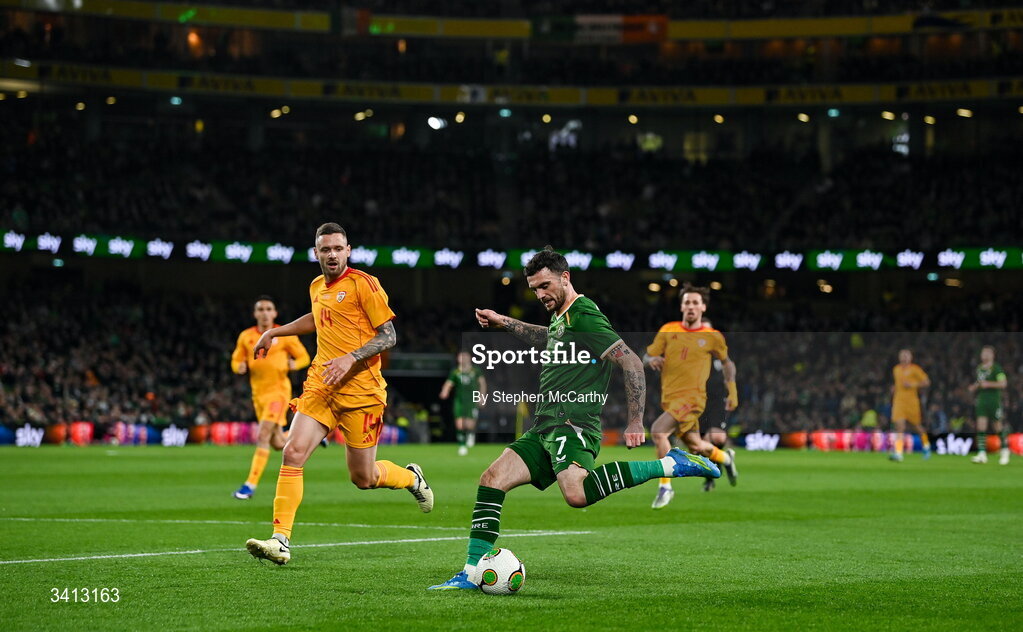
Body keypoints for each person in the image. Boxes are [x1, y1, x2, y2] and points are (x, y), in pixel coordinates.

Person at [429, 247, 719, 590]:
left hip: (573, 424)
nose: (541, 295)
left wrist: (635, 421)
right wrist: (503, 321)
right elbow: (547, 337)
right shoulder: (561, 316)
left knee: (576, 494)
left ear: (565, 277)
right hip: (545, 425)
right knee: (492, 478)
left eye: (546, 286)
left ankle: (670, 464)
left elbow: (631, 362)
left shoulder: (584, 315)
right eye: (535, 289)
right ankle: (471, 571)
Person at [245, 223, 433, 566]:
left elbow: (389, 336)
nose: (331, 255)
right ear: (316, 253)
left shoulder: (364, 284)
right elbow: (318, 318)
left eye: (337, 249)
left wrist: (352, 357)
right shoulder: (317, 285)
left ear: (348, 251)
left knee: (364, 478)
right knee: (293, 451)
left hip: (362, 393)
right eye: (325, 249)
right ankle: (280, 539)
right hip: (321, 385)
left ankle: (410, 477)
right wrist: (275, 331)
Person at [644, 284, 739, 509]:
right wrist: (651, 361)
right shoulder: (668, 330)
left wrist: (732, 391)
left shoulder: (713, 337)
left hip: (693, 399)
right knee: (696, 446)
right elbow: (648, 355)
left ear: (703, 307)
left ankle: (665, 487)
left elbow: (727, 364)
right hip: (670, 398)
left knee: (658, 432)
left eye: (696, 303)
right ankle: (726, 459)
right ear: (681, 306)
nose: (691, 307)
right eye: (687, 302)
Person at [230, 295, 310, 500]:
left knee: (263, 434)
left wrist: (295, 364)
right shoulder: (246, 336)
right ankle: (314, 438)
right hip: (258, 394)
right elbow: (236, 358)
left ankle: (249, 485)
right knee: (276, 442)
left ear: (274, 313)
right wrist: (238, 366)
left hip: (278, 392)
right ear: (255, 313)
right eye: (261, 309)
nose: (264, 313)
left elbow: (304, 356)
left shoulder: (285, 334)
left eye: (268, 309)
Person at [439, 351, 487, 455]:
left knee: (469, 424)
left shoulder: (475, 371)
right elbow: (448, 383)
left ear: (469, 358)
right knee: (460, 424)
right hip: (459, 401)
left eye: (465, 357)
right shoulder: (455, 372)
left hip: (472, 400)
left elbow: (482, 384)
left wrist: (482, 397)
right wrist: (445, 391)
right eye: (460, 357)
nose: (462, 359)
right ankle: (461, 446)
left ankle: (470, 434)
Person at [969, 345, 1009, 465]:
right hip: (982, 400)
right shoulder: (980, 368)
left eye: (987, 353)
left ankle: (1005, 450)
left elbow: (1003, 384)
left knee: (997, 426)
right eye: (983, 353)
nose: (985, 355)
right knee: (981, 426)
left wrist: (988, 384)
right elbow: (980, 382)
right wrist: (974, 386)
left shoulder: (997, 368)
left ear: (992, 355)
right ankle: (982, 454)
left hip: (994, 400)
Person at [889, 349, 931, 462]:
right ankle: (898, 453)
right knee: (899, 426)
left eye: (906, 355)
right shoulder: (896, 369)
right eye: (902, 355)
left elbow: (926, 382)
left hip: (912, 403)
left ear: (911, 358)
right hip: (899, 401)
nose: (904, 357)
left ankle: (926, 445)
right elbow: (898, 383)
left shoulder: (915, 369)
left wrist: (913, 384)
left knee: (917, 427)